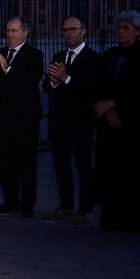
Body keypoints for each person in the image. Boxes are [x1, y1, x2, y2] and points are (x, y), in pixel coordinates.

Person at [93, 10, 140, 234]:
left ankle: (133, 219)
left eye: (126, 28)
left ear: (138, 31)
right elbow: (100, 84)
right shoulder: (110, 55)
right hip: (108, 123)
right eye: (119, 28)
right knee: (109, 168)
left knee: (132, 170)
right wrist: (105, 106)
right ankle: (110, 215)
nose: (121, 32)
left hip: (133, 123)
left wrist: (115, 104)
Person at [0, 16, 44, 218]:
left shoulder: (34, 55)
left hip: (25, 118)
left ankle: (27, 203)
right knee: (5, 161)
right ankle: (10, 199)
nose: (10, 34)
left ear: (25, 33)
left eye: (14, 31)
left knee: (25, 162)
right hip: (3, 116)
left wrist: (6, 68)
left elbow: (28, 82)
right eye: (8, 30)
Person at [42, 17, 101, 221]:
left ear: (83, 31)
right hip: (60, 121)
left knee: (83, 164)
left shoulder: (92, 58)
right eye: (65, 29)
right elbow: (47, 86)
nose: (68, 33)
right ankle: (66, 205)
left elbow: (91, 90)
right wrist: (53, 81)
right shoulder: (59, 56)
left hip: (82, 121)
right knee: (61, 164)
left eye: (73, 29)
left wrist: (65, 78)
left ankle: (86, 208)